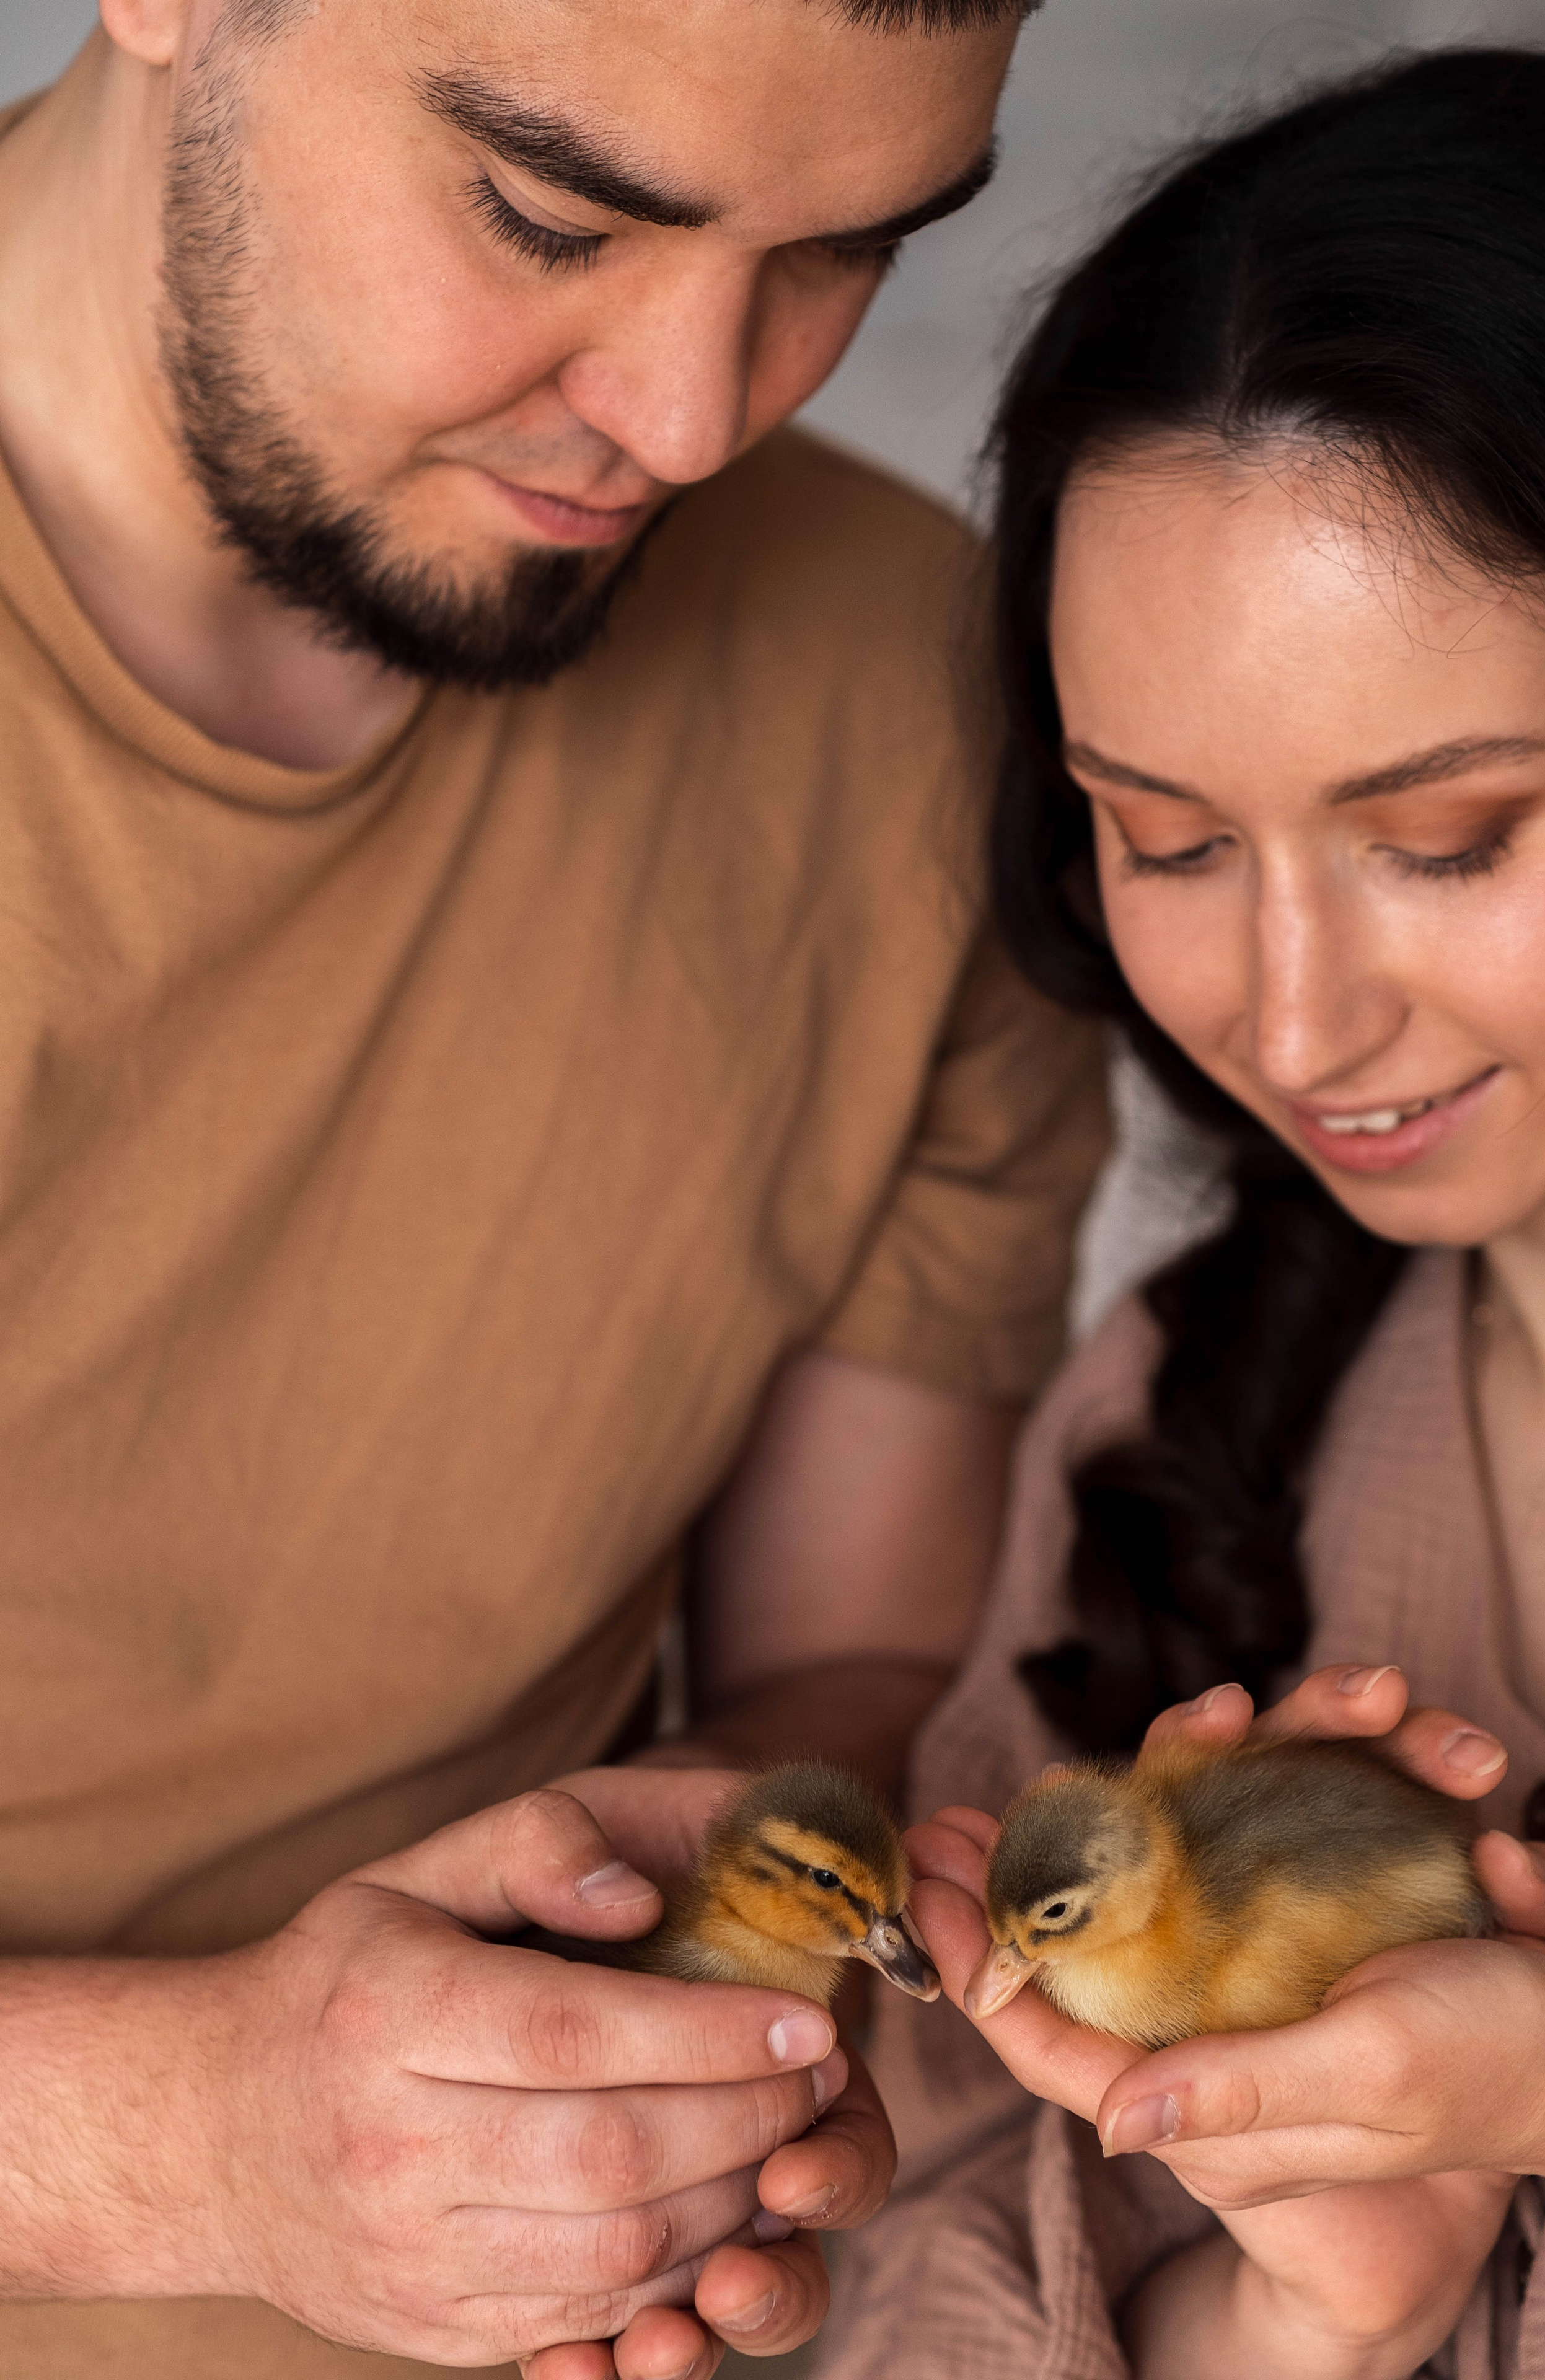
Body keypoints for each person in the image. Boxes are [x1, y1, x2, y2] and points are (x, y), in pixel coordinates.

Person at [0, 1, 1113, 2376]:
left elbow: (839, 1673)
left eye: (847, 251)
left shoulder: (926, 700)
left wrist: (683, 1986)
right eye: (551, 216)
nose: (696, 421)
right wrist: (189, 2140)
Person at [814, 46, 1545, 2380]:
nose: (1294, 1017)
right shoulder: (1184, 1410)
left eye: (1446, 839)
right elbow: (898, 2290)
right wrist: (1303, 2312)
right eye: (1166, 840)